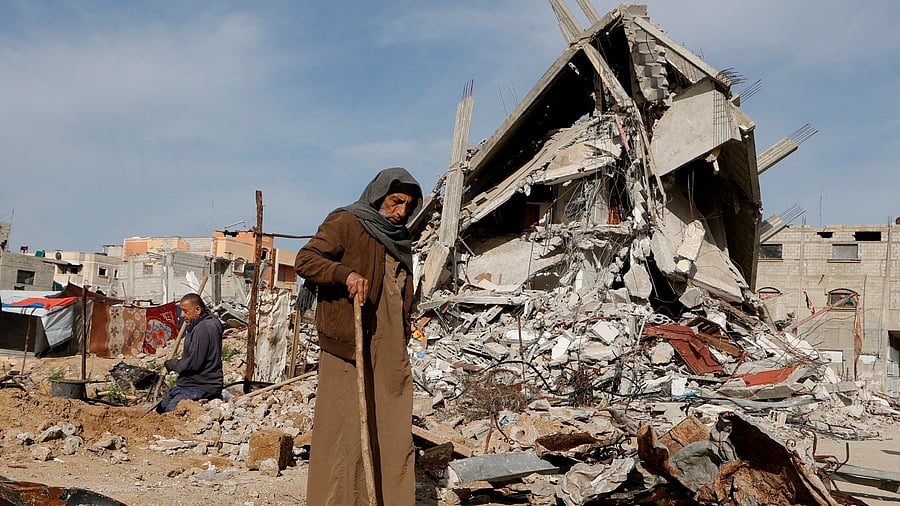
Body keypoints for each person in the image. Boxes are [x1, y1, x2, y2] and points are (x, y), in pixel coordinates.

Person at [295, 167, 421, 506]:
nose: (401, 213)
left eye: (408, 206)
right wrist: (345, 273)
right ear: (379, 195)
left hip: (391, 345)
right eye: (396, 202)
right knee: (342, 430)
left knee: (391, 427)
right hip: (350, 343)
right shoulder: (347, 222)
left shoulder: (400, 239)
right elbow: (305, 260)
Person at [156, 292, 224, 413]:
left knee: (171, 412)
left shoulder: (203, 328)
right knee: (160, 408)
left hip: (201, 385)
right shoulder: (205, 324)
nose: (182, 315)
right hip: (189, 384)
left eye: (185, 311)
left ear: (198, 309)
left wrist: (172, 364)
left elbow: (193, 363)